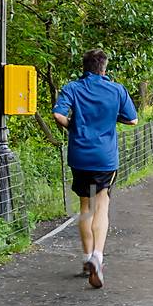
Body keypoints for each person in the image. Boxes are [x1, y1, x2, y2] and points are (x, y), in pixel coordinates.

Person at [52, 49, 138, 288]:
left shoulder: (72, 88)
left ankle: (86, 257)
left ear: (84, 67)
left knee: (84, 206)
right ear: (104, 68)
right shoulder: (117, 90)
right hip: (105, 158)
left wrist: (73, 126)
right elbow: (132, 120)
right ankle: (98, 257)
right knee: (102, 204)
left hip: (79, 156)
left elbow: (58, 114)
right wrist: (112, 118)